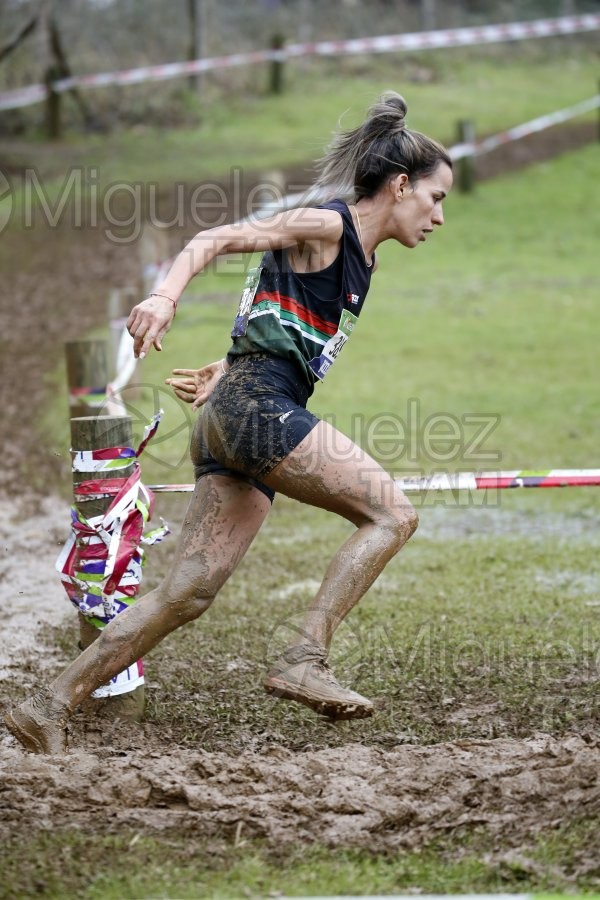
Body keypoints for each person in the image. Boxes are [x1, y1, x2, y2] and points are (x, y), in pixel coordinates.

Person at [5, 91, 453, 754]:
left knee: (186, 593)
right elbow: (214, 239)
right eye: (436, 198)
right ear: (401, 185)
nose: (439, 216)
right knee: (392, 515)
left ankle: (47, 705)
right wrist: (163, 297)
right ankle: (304, 657)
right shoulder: (327, 226)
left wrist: (230, 362)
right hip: (256, 411)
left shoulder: (366, 258)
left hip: (232, 409)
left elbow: (283, 323)